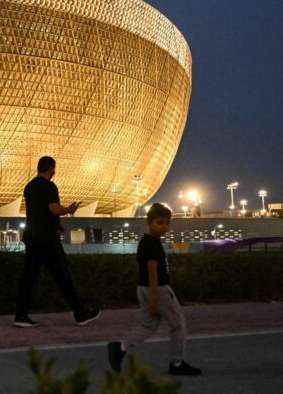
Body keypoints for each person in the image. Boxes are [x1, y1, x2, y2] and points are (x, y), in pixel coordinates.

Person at [107, 203, 202, 376]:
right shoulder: (152, 244)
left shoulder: (147, 241)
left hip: (143, 288)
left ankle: (120, 348)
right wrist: (155, 298)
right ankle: (177, 364)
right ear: (149, 222)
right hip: (158, 289)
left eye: (167, 223)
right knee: (178, 325)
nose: (164, 227)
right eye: (159, 223)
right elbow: (152, 271)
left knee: (148, 325)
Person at [13, 156, 100, 328]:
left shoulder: (29, 186)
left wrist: (56, 225)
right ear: (50, 168)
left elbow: (38, 212)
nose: (54, 172)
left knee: (28, 277)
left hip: (32, 237)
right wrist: (68, 210)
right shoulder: (49, 186)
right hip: (47, 240)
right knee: (63, 275)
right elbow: (53, 208)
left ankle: (20, 315)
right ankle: (80, 313)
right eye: (54, 169)